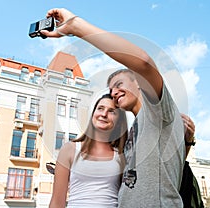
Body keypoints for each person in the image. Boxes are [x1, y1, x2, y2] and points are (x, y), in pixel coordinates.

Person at [42, 8, 196, 207]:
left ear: (140, 83)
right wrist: (187, 142)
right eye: (110, 90)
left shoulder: (156, 110)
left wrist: (77, 26)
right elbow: (166, 164)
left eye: (119, 85)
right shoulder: (133, 133)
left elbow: (144, 62)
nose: (114, 92)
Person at [49, 94, 128, 208]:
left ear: (119, 121)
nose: (104, 114)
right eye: (100, 108)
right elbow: (57, 202)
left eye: (111, 111)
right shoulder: (69, 149)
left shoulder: (121, 156)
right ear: (93, 114)